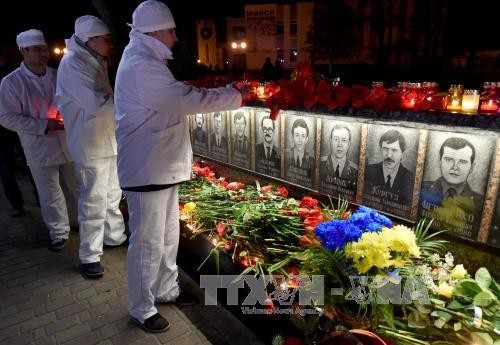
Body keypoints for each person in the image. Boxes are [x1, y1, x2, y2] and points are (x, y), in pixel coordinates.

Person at [114, 0, 250, 333]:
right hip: (148, 168)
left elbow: (177, 97)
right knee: (147, 242)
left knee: (167, 236)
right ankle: (142, 308)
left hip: (160, 166)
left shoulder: (146, 61)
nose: (176, 37)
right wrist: (234, 96)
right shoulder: (142, 66)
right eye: (172, 30)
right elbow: (184, 100)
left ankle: (165, 289)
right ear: (155, 31)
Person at [56, 15, 127, 278]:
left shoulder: (94, 59)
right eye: (106, 40)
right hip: (89, 143)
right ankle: (90, 255)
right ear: (91, 40)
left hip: (107, 139)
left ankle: (114, 237)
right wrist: (131, 104)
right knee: (94, 199)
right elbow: (98, 103)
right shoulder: (73, 63)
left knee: (111, 195)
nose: (110, 44)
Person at [0, 29, 77, 251]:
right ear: (23, 51)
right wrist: (43, 124)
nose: (43, 54)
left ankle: (81, 222)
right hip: (39, 145)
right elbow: (7, 117)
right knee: (49, 191)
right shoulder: (11, 83)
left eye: (44, 49)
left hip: (66, 141)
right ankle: (58, 232)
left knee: (76, 185)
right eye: (37, 50)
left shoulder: (57, 74)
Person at [420, 137, 483, 229]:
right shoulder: (420, 188)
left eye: (462, 162)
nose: (455, 167)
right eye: (449, 159)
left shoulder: (481, 203)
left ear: (472, 167)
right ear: (440, 162)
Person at [365, 129, 414, 205]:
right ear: (380, 150)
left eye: (394, 150)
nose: (389, 155)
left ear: (402, 155)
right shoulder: (368, 171)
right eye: (385, 149)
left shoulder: (410, 178)